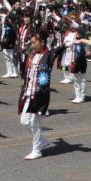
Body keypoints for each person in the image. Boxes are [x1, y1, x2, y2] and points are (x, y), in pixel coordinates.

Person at [16, 28, 57, 159]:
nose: (32, 45)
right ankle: (42, 141)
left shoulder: (49, 55)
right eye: (31, 43)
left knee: (34, 123)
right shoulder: (32, 55)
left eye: (34, 43)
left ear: (42, 42)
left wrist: (73, 41)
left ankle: (36, 150)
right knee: (24, 121)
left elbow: (60, 48)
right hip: (28, 92)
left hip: (40, 94)